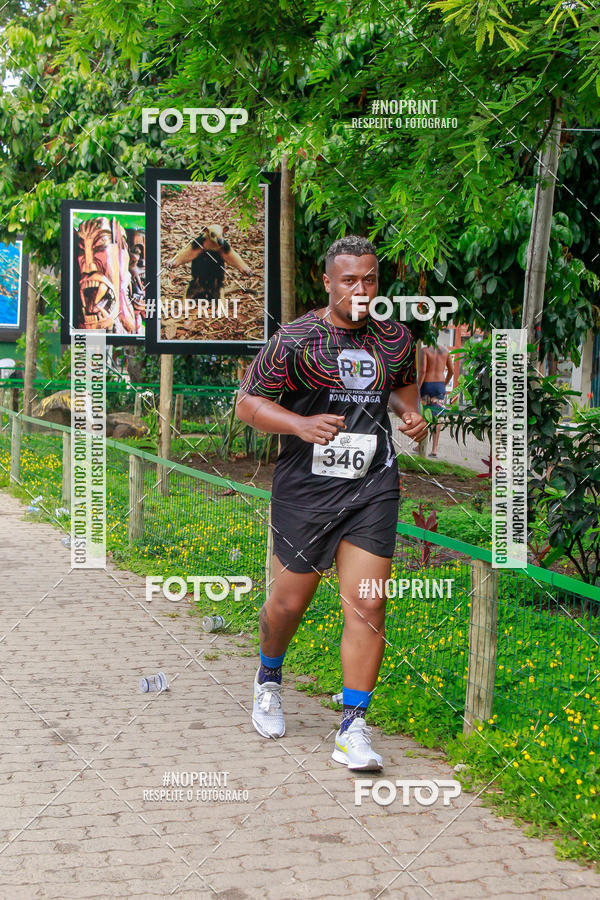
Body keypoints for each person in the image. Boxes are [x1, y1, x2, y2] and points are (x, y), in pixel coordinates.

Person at [235, 235, 427, 771]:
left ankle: (353, 727)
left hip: (373, 486)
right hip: (306, 489)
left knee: (367, 606)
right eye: (349, 280)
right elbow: (246, 404)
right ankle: (269, 676)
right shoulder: (295, 340)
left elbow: (401, 385)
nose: (361, 289)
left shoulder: (395, 338)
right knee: (288, 604)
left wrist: (409, 414)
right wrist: (299, 423)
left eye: (369, 279)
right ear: (327, 282)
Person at [418, 339, 453, 457]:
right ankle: (434, 450)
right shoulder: (445, 351)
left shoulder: (425, 350)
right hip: (439, 385)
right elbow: (451, 371)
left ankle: (420, 445)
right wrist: (444, 384)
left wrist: (418, 388)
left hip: (427, 384)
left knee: (424, 415)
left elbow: (422, 371)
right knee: (436, 418)